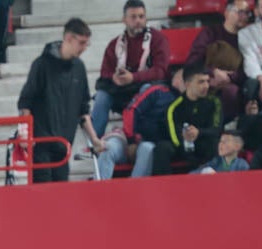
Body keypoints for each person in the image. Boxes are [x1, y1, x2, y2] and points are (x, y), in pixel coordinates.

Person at [16, 17, 100, 183]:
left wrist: (95, 139)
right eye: (81, 43)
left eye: (86, 43)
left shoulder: (79, 68)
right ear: (68, 38)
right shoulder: (41, 65)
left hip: (63, 147)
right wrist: (25, 133)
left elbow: (83, 110)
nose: (84, 48)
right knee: (43, 193)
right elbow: (26, 102)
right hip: (40, 144)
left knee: (60, 193)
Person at [90, 0, 171, 138]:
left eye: (141, 16)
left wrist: (133, 77)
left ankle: (135, 137)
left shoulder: (158, 39)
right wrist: (114, 77)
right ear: (124, 20)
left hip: (148, 87)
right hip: (123, 89)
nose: (138, 20)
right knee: (102, 95)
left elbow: (160, 71)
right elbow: (105, 72)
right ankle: (94, 142)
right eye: (133, 17)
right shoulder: (115, 44)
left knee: (146, 89)